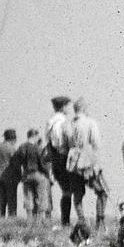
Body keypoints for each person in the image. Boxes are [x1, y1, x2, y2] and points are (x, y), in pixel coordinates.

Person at [66, 99, 103, 228]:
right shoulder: (90, 122)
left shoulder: (70, 124)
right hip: (88, 160)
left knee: (77, 194)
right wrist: (97, 163)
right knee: (102, 191)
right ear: (84, 108)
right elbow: (96, 143)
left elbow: (68, 143)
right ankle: (100, 220)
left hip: (73, 162)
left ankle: (82, 220)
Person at [45, 96, 75, 226]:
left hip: (54, 158)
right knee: (68, 192)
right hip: (63, 157)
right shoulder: (63, 122)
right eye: (68, 105)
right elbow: (66, 140)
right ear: (63, 107)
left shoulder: (50, 122)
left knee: (65, 190)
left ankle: (65, 221)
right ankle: (66, 221)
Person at [16, 130, 49, 217]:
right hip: (38, 173)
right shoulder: (38, 148)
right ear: (34, 136)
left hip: (26, 174)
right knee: (41, 196)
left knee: (28, 196)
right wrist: (47, 173)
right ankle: (42, 218)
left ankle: (29, 218)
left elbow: (17, 161)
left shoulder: (22, 147)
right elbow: (43, 163)